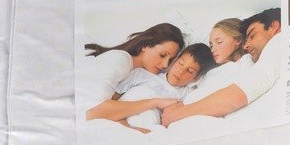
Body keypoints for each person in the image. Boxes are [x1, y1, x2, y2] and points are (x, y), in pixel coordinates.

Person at [161, 8, 282, 126]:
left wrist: (178, 113)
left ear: (237, 40)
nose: (213, 49)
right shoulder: (210, 71)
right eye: (211, 45)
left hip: (192, 119)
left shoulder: (249, 60)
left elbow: (240, 93)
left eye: (219, 42)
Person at [87, 44, 216, 132]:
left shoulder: (186, 95)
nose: (180, 71)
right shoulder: (141, 75)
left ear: (196, 78)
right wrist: (127, 127)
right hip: (117, 121)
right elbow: (110, 103)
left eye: (190, 71)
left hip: (148, 131)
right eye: (180, 63)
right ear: (175, 60)